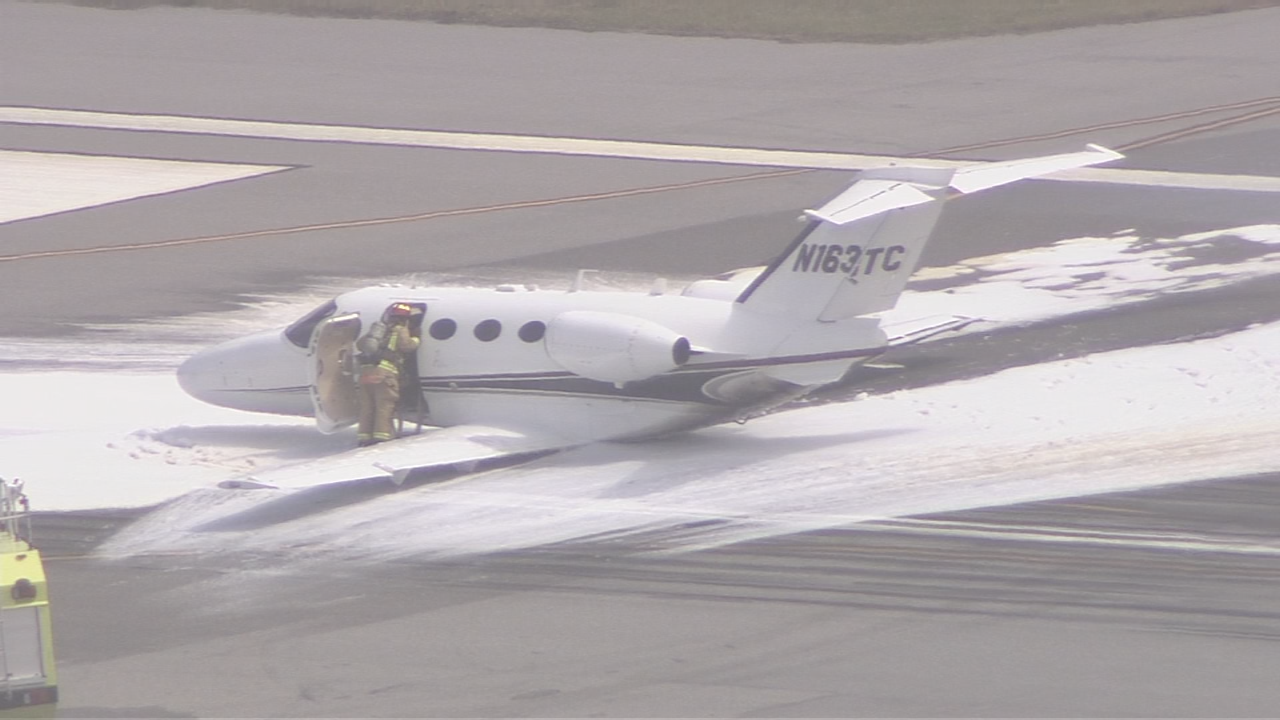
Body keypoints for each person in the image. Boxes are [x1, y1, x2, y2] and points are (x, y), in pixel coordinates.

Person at [355, 303, 420, 447]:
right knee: (384, 407)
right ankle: (382, 439)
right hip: (384, 374)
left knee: (367, 407)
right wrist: (416, 338)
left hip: (365, 373)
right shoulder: (400, 330)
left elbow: (360, 344)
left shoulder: (377, 330)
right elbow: (407, 346)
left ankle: (364, 438)